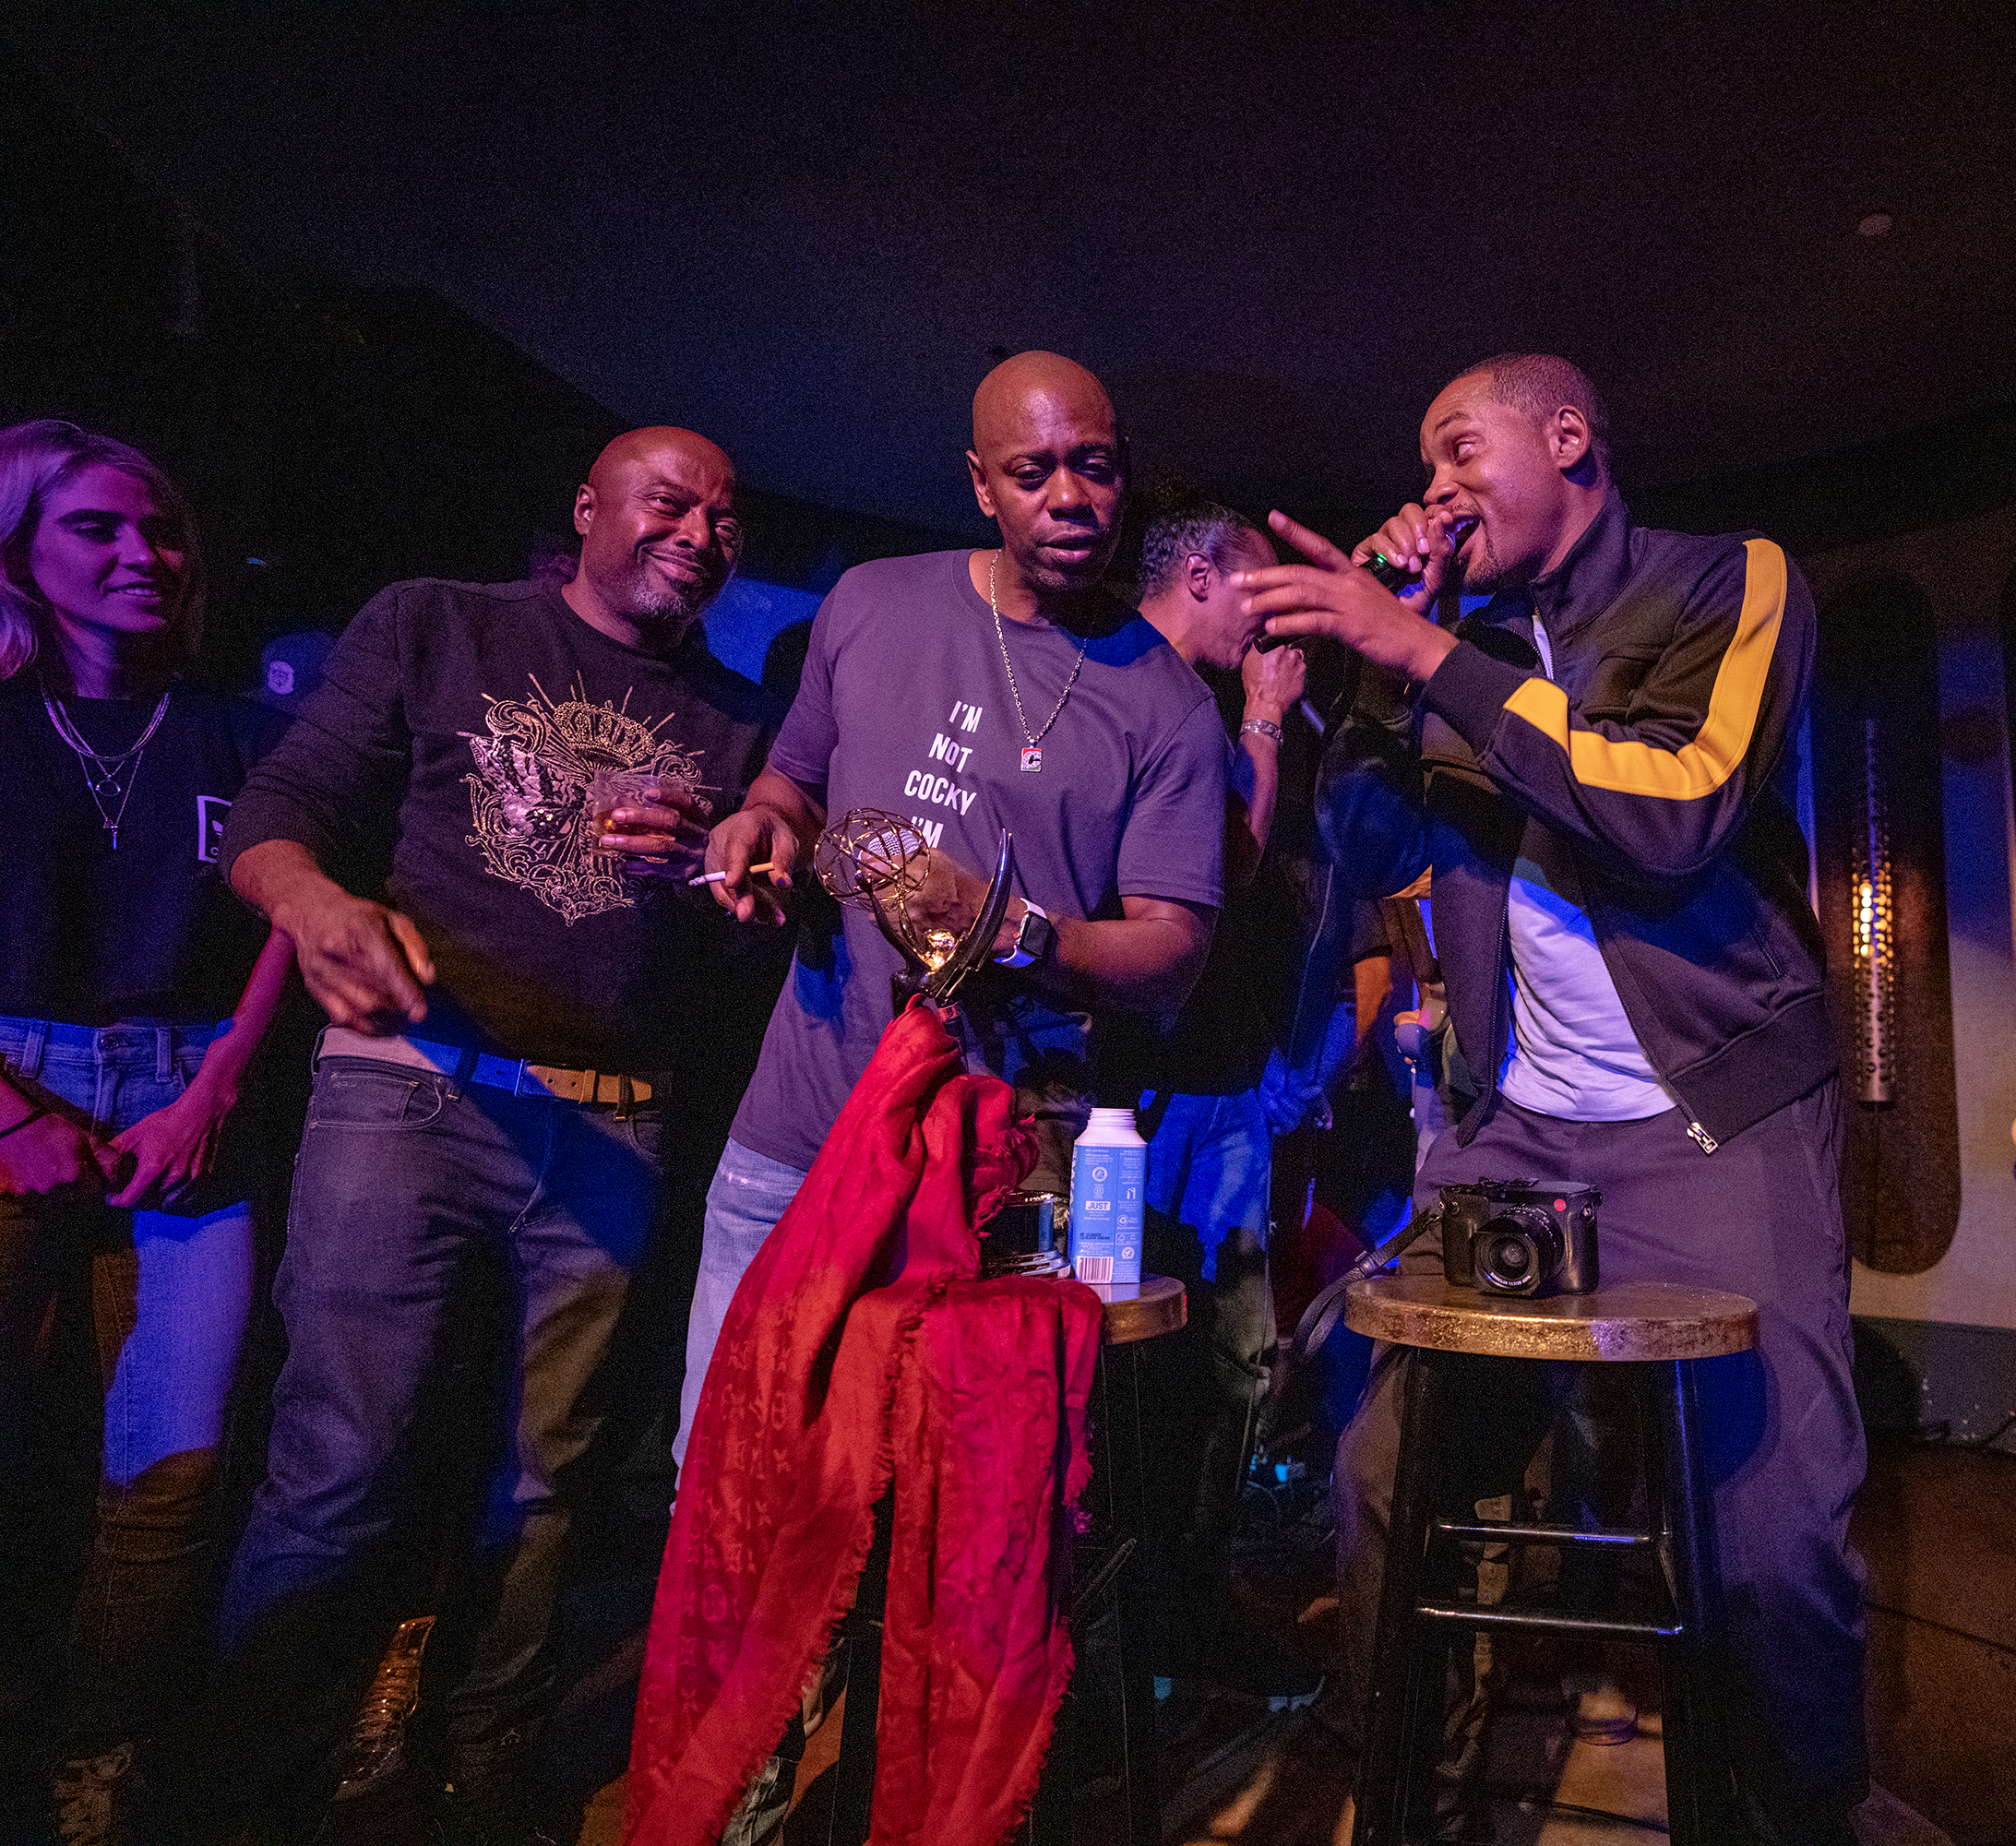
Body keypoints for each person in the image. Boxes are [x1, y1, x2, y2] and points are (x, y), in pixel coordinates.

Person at [1240, 355, 1929, 1844]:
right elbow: (1363, 859)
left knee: (1767, 1543)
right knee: (1380, 1480)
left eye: (1458, 445)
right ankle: (1395, 1776)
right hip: (1514, 1130)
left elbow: (1675, 810)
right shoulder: (1453, 637)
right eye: (1419, 458)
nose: (1432, 483)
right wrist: (1372, 663)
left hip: (1715, 1117)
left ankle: (1808, 1805)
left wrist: (1425, 658)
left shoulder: (1723, 580)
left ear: (1569, 440)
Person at [212, 426, 774, 1831]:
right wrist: (315, 903)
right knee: (345, 1455)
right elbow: (277, 815)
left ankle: (477, 1762)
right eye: (669, 503)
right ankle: (253, 1777)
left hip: (615, 1125)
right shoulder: (439, 623)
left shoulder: (731, 721)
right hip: (412, 1088)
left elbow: (731, 961)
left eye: (724, 520)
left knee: (546, 1479)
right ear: (588, 508)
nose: (700, 534)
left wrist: (726, 892)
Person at [676, 352, 1226, 1471]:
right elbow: (794, 780)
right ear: (982, 485)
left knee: (939, 1509)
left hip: (993, 1170)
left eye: (1095, 468)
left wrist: (1016, 928)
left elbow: (1174, 952)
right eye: (1034, 473)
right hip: (797, 1131)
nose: (1071, 497)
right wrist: (763, 827)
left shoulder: (1166, 701)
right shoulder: (875, 599)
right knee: (727, 1472)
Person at [0, 422, 295, 1844]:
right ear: (21, 553)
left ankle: (95, 1750)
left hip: (187, 1093)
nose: (141, 555)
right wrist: (11, 1115)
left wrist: (219, 1083)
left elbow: (289, 919)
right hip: (16, 1078)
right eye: (98, 531)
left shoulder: (241, 727)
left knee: (174, 1454)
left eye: (161, 532)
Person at [1119, 494, 1320, 1695]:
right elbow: (1223, 875)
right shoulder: (1144, 686)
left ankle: (1181, 1619)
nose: (1276, 614)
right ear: (1200, 574)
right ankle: (1142, 1632)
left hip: (1217, 1086)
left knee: (1228, 1360)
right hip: (1149, 1095)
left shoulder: (1175, 694)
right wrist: (1263, 725)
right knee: (1163, 1360)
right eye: (1260, 585)